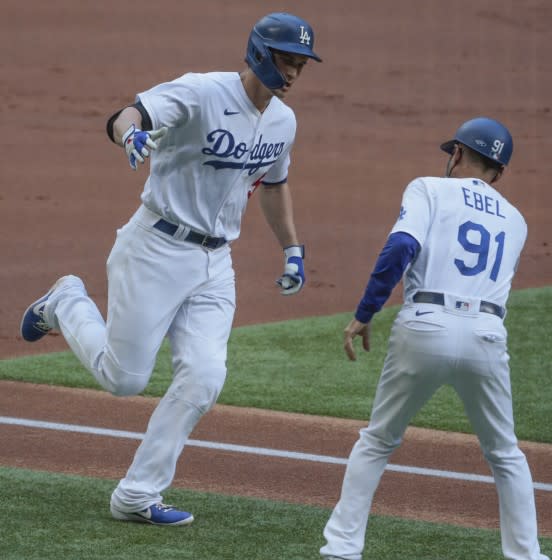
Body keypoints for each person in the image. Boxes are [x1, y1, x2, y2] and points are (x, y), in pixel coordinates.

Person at [20, 12, 322, 526]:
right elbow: (127, 114)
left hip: (215, 263)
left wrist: (291, 247)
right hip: (154, 249)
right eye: (284, 62)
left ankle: (137, 495)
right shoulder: (202, 92)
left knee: (205, 377)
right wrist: (131, 138)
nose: (292, 74)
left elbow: (273, 184)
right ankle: (66, 301)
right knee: (124, 380)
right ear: (257, 54)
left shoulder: (283, 122)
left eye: (300, 66)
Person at [320, 117, 549, 560]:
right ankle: (528, 555)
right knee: (505, 453)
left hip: (425, 325)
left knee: (378, 440)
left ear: (458, 154)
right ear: (498, 173)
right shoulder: (517, 221)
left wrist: (365, 313)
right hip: (486, 333)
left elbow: (399, 249)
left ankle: (342, 549)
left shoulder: (428, 188)